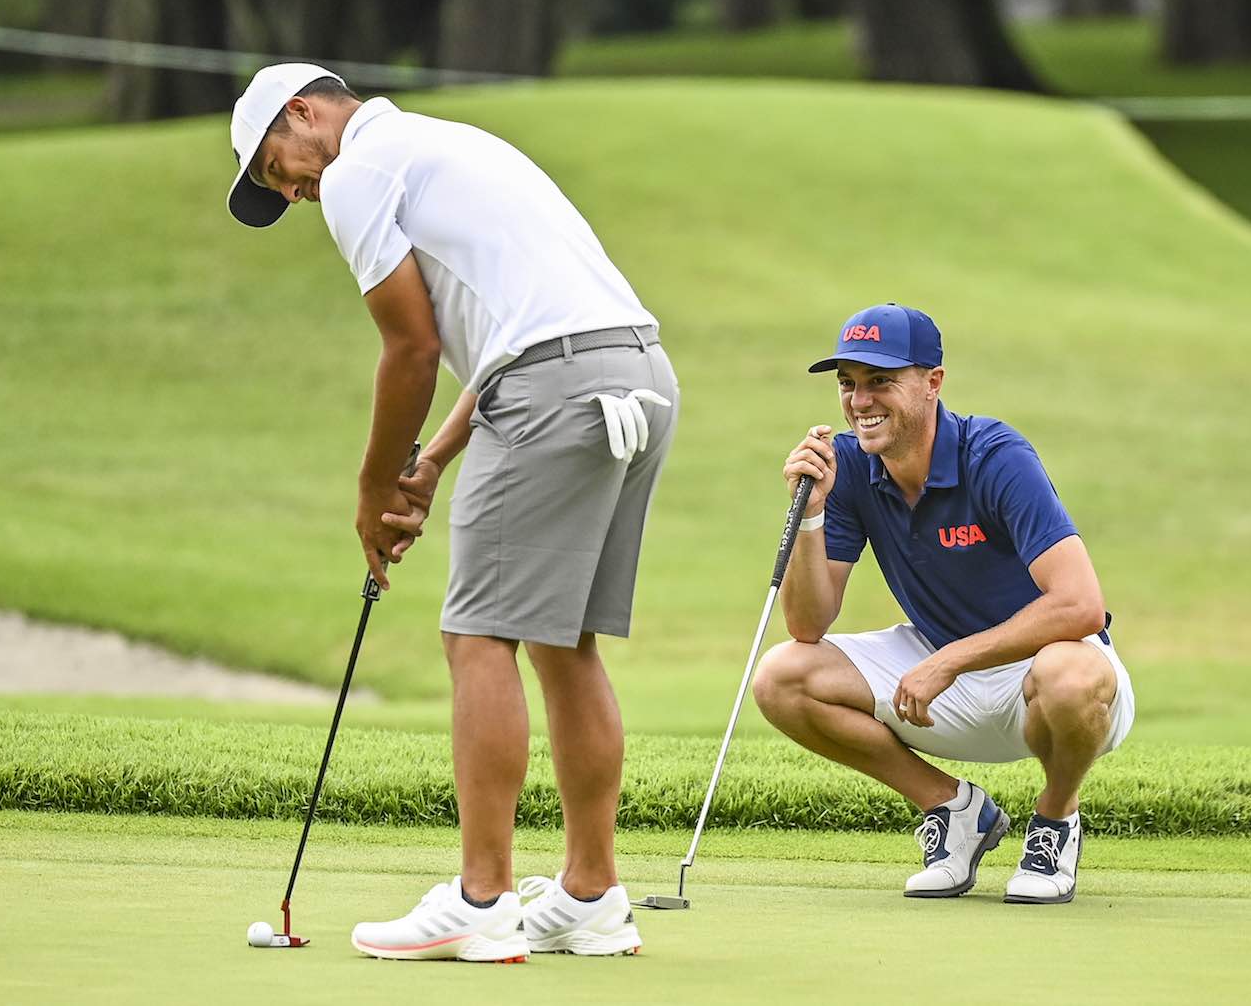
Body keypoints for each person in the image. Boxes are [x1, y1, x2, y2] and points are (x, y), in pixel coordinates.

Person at [225, 63, 677, 959]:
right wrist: (430, 459)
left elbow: (413, 348)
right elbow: (517, 328)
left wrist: (373, 488)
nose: (295, 193)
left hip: (553, 388)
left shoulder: (356, 172)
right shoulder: (447, 144)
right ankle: (590, 895)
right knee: (563, 642)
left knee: (477, 636)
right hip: (638, 374)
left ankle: (482, 899)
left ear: (302, 112)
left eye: (279, 169)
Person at [752, 303, 1134, 905]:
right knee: (782, 676)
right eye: (848, 383)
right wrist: (812, 514)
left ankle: (1056, 818)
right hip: (940, 671)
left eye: (881, 381)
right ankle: (954, 810)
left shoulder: (995, 455)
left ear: (933, 382)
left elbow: (1081, 606)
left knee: (1072, 674)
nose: (860, 401)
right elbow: (807, 623)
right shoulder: (847, 467)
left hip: (1041, 673)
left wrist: (949, 660)